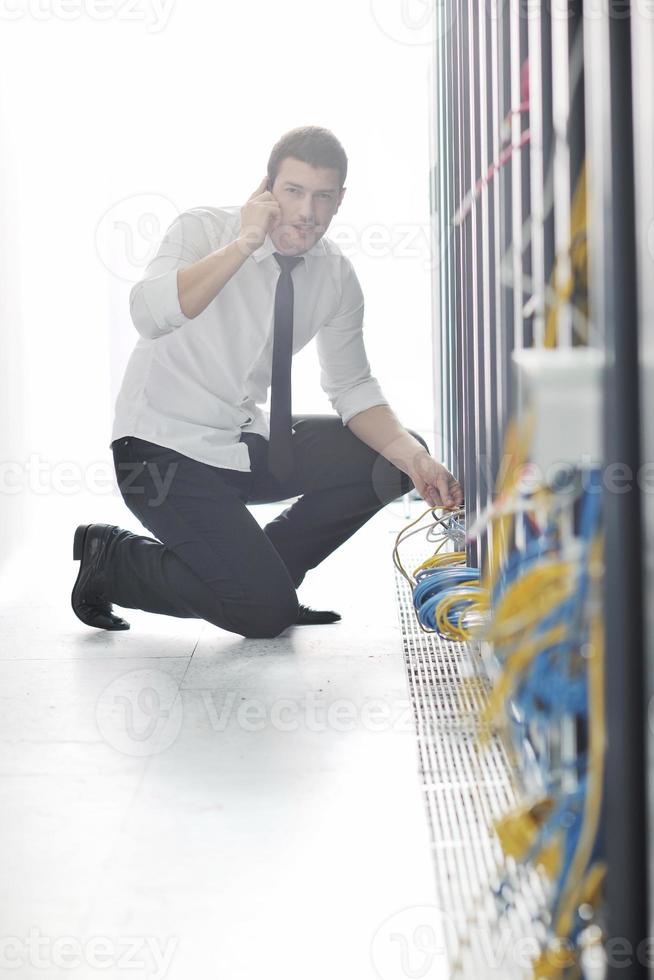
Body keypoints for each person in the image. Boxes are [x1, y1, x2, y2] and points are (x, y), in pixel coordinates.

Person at [72, 125, 463, 639]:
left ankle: (267, 578)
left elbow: (352, 388)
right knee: (263, 615)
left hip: (241, 443)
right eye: (294, 191)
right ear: (267, 188)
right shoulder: (204, 231)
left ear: (340, 200)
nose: (306, 212)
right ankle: (115, 561)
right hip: (160, 452)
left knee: (391, 457)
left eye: (322, 197)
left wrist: (415, 461)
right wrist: (244, 243)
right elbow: (150, 314)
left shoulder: (334, 274)